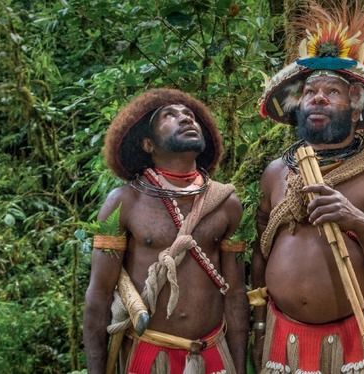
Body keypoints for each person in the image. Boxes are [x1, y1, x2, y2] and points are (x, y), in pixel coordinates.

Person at [249, 1, 364, 373]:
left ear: (356, 109)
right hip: (281, 336)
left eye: (333, 91)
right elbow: (262, 250)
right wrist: (258, 322)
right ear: (298, 106)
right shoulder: (276, 172)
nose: (319, 97)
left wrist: (356, 220)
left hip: (353, 339)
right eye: (310, 91)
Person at [83, 88, 248, 374]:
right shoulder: (124, 202)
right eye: (169, 116)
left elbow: (235, 296)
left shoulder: (227, 203)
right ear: (148, 144)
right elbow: (99, 295)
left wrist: (238, 364)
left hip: (213, 355)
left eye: (190, 115)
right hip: (148, 356)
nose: (186, 119)